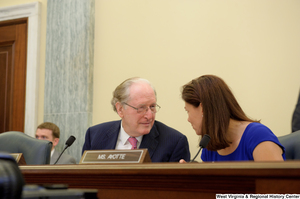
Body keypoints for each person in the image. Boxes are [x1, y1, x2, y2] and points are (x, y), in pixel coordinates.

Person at [179, 75, 285, 162]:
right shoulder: (209, 146)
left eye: (187, 111)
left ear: (202, 108)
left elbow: (278, 186)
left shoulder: (257, 135)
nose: (188, 119)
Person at [82, 77, 190, 162]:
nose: (149, 116)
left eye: (152, 107)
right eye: (141, 108)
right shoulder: (95, 136)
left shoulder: (174, 142)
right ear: (120, 109)